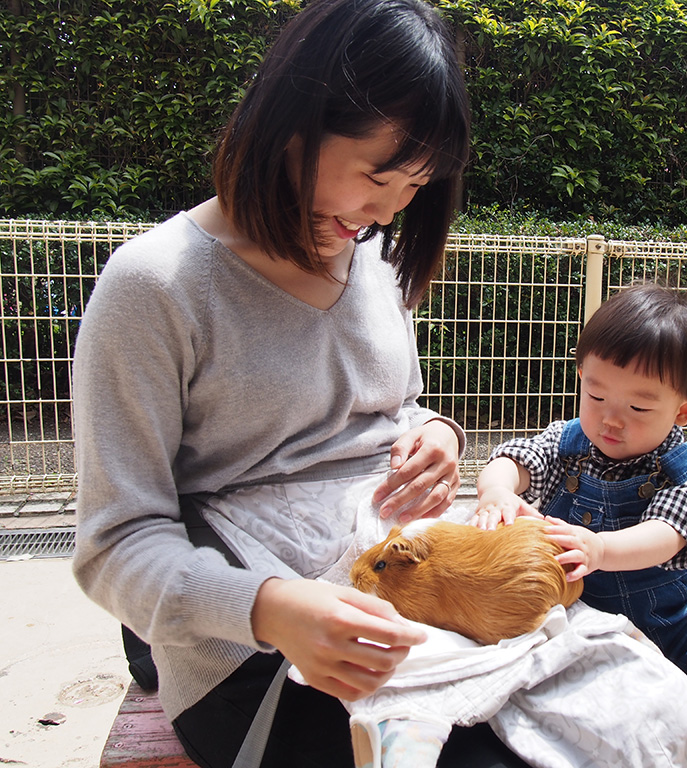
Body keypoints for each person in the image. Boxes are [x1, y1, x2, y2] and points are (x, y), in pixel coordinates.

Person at [70, 0, 526, 765]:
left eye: (415, 185)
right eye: (378, 176)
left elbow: (387, 409)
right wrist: (270, 610)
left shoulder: (372, 257)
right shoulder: (155, 285)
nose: (388, 210)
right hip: (249, 652)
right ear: (292, 124)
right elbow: (114, 542)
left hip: (402, 587)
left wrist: (439, 435)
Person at [473, 283, 687, 768]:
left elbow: (666, 535)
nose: (610, 420)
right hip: (583, 617)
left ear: (684, 409)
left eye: (639, 408)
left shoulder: (681, 471)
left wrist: (600, 549)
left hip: (672, 619)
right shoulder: (568, 444)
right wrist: (497, 489)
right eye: (596, 395)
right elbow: (515, 458)